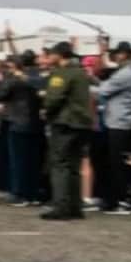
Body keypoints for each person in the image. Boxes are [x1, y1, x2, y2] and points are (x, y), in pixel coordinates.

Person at [41, 41, 92, 221]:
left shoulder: (61, 73)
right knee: (74, 166)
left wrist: (45, 108)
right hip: (82, 124)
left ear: (59, 55)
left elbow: (54, 98)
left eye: (51, 54)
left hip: (65, 123)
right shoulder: (80, 72)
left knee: (60, 164)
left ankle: (61, 206)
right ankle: (75, 207)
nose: (49, 57)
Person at [92, 41, 131, 215]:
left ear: (125, 54)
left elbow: (103, 90)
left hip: (121, 124)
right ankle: (115, 199)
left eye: (118, 53)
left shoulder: (127, 73)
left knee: (118, 164)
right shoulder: (126, 72)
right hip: (118, 122)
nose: (116, 56)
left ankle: (124, 200)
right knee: (114, 163)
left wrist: (86, 85)